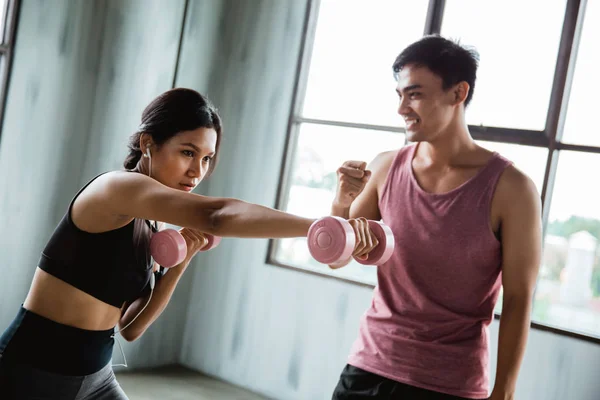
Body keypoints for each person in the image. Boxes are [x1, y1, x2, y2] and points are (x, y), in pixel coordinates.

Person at [0, 88, 375, 400]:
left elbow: (130, 327)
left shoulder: (149, 220)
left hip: (96, 376)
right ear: (148, 143)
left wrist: (179, 264)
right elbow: (216, 214)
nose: (197, 171)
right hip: (34, 369)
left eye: (208, 158)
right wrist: (320, 227)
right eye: (187, 152)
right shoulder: (116, 188)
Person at [330, 36, 542, 400]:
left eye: (414, 94)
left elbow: (520, 298)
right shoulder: (385, 167)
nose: (401, 108)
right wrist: (340, 203)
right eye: (399, 95)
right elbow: (338, 256)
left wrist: (504, 392)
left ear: (458, 93)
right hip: (367, 369)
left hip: (450, 385)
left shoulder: (513, 189)